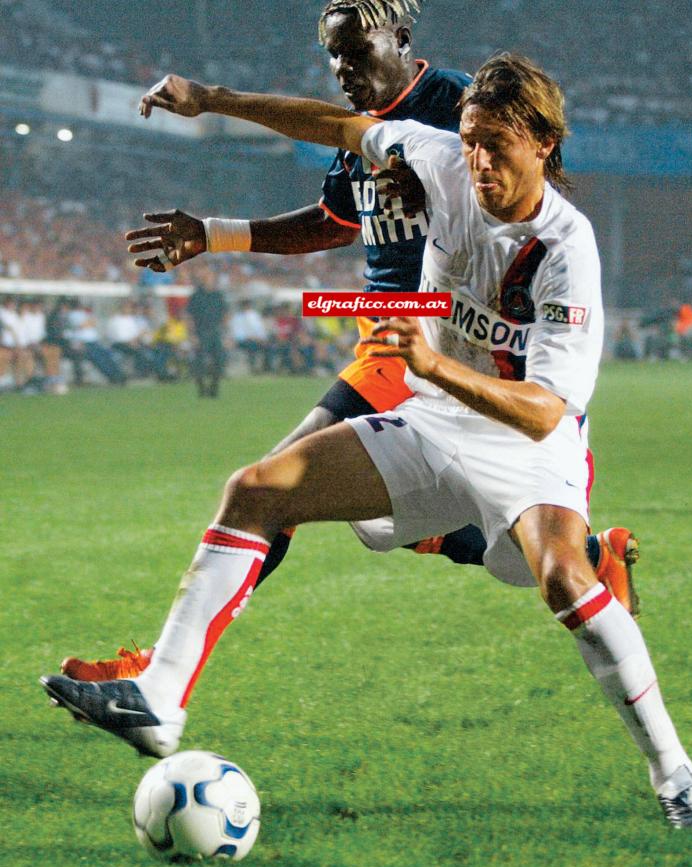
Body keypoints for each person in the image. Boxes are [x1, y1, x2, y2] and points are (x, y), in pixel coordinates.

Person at [42, 53, 692, 829]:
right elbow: (330, 123)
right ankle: (159, 698)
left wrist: (430, 362)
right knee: (258, 489)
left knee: (560, 579)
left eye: (496, 144)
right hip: (430, 422)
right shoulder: (438, 161)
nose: (477, 160)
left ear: (543, 144)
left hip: (530, 447)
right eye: (468, 140)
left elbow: (541, 412)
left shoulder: (568, 249)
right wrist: (210, 99)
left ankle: (677, 776)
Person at [62, 0, 639, 684]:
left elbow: (510, 210)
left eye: (356, 51)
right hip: (377, 326)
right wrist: (213, 234)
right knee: (374, 506)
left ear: (401, 39)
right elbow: (336, 221)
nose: (343, 69)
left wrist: (430, 192)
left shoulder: (456, 105)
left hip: (429, 331)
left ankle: (159, 675)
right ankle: (589, 555)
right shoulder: (361, 136)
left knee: (271, 483)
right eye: (334, 56)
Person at [186, 270, 227, 397]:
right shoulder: (196, 296)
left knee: (219, 360)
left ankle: (214, 388)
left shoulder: (218, 295)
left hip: (215, 331)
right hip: (201, 332)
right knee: (200, 362)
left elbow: (225, 314)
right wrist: (192, 335)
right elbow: (189, 316)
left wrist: (225, 333)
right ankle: (202, 389)